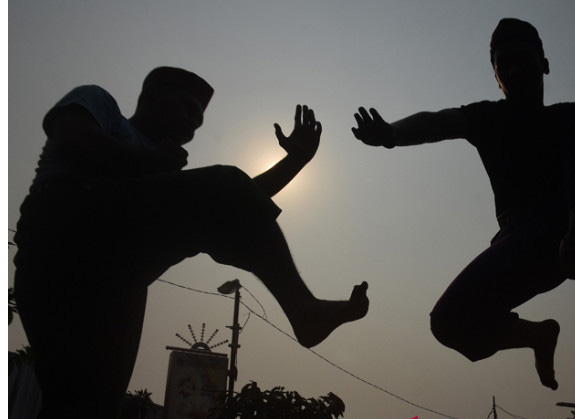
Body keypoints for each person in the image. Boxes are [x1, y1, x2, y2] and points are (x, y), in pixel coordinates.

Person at [13, 66, 369, 419]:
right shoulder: (100, 104)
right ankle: (303, 310)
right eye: (185, 108)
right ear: (151, 97)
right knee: (222, 188)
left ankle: (304, 312)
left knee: (86, 407)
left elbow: (239, 203)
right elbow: (74, 138)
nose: (191, 125)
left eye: (198, 123)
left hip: (114, 280)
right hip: (63, 234)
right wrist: (151, 161)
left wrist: (295, 160)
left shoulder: (160, 179)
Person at [351, 17, 575, 390]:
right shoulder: (490, 118)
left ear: (544, 64)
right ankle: (536, 335)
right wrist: (391, 134)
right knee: (447, 323)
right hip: (523, 243)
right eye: (505, 66)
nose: (515, 71)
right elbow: (437, 123)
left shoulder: (563, 118)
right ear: (496, 79)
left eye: (523, 60)